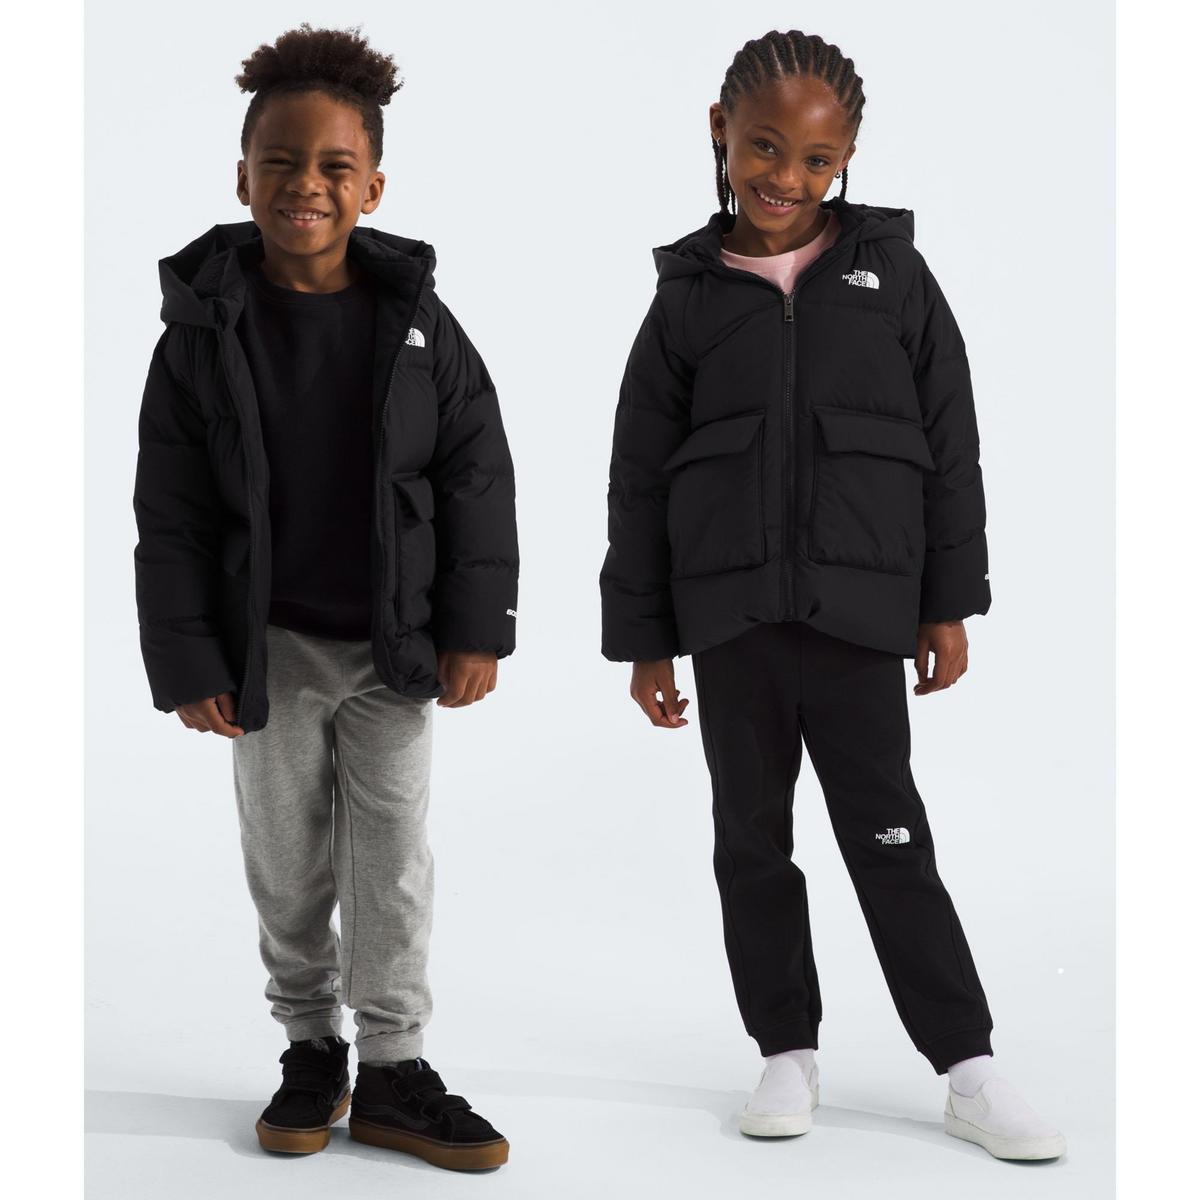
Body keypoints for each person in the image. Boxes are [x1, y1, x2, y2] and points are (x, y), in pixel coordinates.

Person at [599, 28, 1065, 1162]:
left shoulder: (892, 278)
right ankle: (785, 1051)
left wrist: (946, 603)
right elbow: (638, 476)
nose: (786, 178)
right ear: (721, 131)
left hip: (860, 621)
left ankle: (967, 1066)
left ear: (846, 158)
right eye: (764, 147)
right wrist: (646, 639)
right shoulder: (686, 300)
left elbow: (951, 446)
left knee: (891, 838)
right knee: (751, 840)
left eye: (815, 160)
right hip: (733, 625)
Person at [132, 23, 517, 1171]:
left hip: (393, 651)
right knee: (288, 860)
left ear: (373, 187)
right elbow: (172, 511)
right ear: (242, 177)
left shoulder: (419, 324)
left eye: (334, 167)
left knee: (391, 860)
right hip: (269, 653)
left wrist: (476, 629)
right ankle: (312, 1048)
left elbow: (476, 473)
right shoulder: (201, 333)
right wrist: (189, 659)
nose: (306, 185)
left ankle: (393, 1067)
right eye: (282, 163)